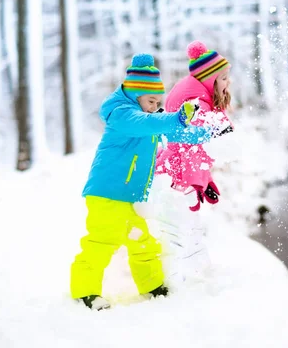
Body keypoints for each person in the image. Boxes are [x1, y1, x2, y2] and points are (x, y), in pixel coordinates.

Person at [70, 53, 209, 310]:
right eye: (151, 101)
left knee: (143, 243)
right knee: (101, 242)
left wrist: (206, 133)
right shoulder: (122, 114)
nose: (155, 107)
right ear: (136, 95)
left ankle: (152, 286)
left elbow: (173, 130)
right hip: (107, 193)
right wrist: (176, 116)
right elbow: (146, 123)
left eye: (159, 102)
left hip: (130, 197)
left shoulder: (148, 118)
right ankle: (84, 291)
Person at [156, 41, 234, 211]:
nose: (229, 82)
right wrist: (195, 183)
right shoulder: (196, 104)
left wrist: (206, 179)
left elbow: (197, 147)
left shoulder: (198, 97)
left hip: (173, 167)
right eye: (223, 78)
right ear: (210, 81)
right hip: (174, 175)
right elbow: (190, 146)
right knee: (174, 223)